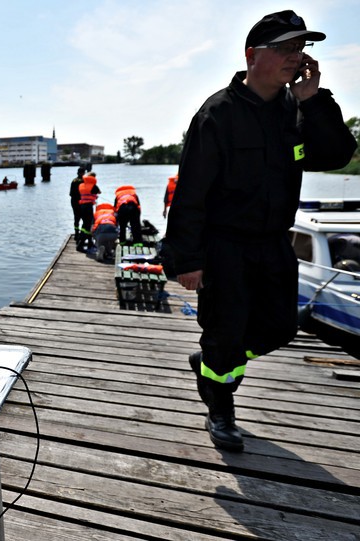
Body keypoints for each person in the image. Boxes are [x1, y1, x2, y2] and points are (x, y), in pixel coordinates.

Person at [166, 10, 356, 452]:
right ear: (253, 55)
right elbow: (191, 191)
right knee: (226, 331)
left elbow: (336, 156)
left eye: (301, 48)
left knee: (279, 328)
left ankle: (213, 361)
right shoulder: (218, 114)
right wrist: (187, 260)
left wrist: (313, 100)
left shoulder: (296, 109)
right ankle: (220, 408)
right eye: (286, 47)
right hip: (225, 245)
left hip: (274, 242)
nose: (297, 57)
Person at [76, 172, 100, 252]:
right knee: (88, 225)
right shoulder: (94, 186)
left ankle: (89, 242)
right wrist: (95, 196)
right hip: (88, 207)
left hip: (82, 207)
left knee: (85, 224)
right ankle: (81, 244)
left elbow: (84, 193)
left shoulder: (81, 185)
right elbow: (98, 192)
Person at [69, 166, 85, 241]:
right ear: (83, 173)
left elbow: (71, 194)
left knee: (76, 218)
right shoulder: (83, 181)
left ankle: (76, 234)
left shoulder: (74, 181)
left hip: (73, 201)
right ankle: (83, 234)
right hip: (81, 201)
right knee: (85, 219)